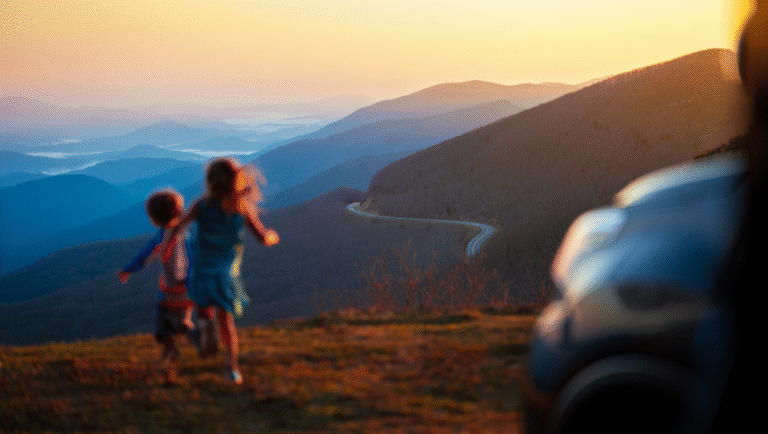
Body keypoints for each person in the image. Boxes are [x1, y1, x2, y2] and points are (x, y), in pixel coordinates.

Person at [163, 157, 279, 385]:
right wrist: (274, 236)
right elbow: (263, 238)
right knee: (226, 321)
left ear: (210, 182)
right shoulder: (241, 210)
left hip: (201, 271)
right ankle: (232, 369)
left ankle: (206, 329)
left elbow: (178, 227)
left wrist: (168, 247)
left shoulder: (201, 205)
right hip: (225, 275)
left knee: (204, 310)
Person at [118, 189, 195, 371]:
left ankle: (197, 343)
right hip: (186, 291)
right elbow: (193, 260)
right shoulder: (185, 235)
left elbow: (145, 255)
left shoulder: (165, 236)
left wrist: (129, 270)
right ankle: (184, 348)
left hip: (171, 292)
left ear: (154, 218)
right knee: (178, 324)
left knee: (163, 328)